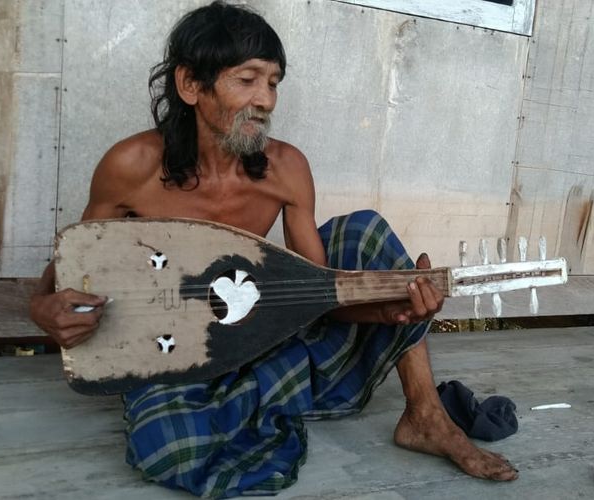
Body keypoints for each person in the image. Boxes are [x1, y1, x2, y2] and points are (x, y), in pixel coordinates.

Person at [29, 2, 518, 497]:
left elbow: (320, 302)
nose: (265, 99)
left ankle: (426, 415)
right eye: (248, 79)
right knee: (168, 449)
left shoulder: (286, 169)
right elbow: (74, 267)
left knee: (364, 232)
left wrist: (391, 310)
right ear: (190, 85)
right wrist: (42, 309)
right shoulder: (131, 164)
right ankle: (256, 399)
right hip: (174, 350)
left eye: (274, 82)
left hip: (265, 333)